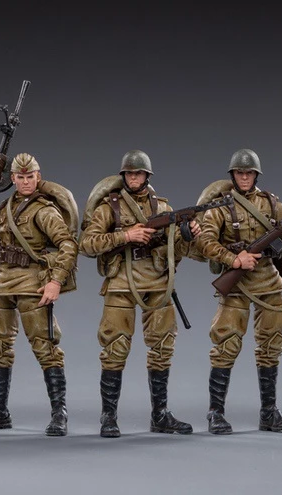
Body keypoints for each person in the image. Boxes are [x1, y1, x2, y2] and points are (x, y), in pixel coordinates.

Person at [197, 148, 282, 435]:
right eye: (240, 172)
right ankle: (216, 412)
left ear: (256, 175)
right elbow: (204, 242)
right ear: (232, 174)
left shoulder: (273, 205)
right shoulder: (220, 207)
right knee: (226, 345)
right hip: (237, 284)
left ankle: (269, 412)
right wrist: (233, 260)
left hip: (268, 282)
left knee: (271, 346)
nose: (244, 177)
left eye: (249, 173)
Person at [80, 150, 200, 438]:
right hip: (121, 283)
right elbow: (86, 244)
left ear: (147, 176)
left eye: (139, 173)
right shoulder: (109, 208)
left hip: (157, 282)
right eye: (129, 173)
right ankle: (109, 416)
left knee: (163, 348)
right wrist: (126, 235)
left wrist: (187, 234)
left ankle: (160, 415)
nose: (134, 177)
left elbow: (177, 250)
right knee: (114, 349)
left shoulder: (163, 208)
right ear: (123, 176)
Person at [0, 153, 78, 436]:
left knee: (46, 347)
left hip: (32, 285)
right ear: (12, 179)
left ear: (38, 177)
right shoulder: (3, 210)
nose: (26, 182)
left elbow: (68, 245)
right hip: (2, 284)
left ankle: (59, 413)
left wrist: (56, 281)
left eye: (30, 177)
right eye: (21, 177)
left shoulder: (44, 210)